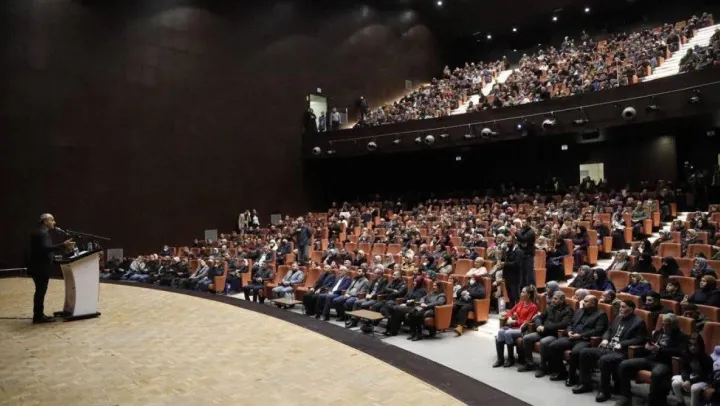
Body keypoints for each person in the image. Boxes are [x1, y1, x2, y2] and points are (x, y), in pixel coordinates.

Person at [572, 300, 647, 403]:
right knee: (584, 352)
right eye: (620, 307)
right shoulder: (618, 318)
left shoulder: (638, 322)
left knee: (604, 360)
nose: (620, 309)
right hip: (609, 348)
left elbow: (640, 339)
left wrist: (622, 344)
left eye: (623, 307)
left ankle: (604, 391)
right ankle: (585, 383)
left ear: (631, 310)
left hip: (622, 352)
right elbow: (609, 330)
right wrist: (605, 339)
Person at [615, 313, 688, 406]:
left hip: (664, 362)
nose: (664, 326)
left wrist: (660, 349)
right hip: (650, 358)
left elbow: (680, 351)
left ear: (674, 325)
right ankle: (626, 396)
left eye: (667, 324)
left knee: (657, 374)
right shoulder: (659, 332)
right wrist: (647, 346)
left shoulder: (682, 336)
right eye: (663, 324)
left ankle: (653, 402)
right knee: (624, 365)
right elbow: (650, 342)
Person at [546, 295, 608, 386]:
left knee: (575, 353)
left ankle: (571, 377)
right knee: (553, 346)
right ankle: (562, 372)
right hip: (572, 337)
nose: (583, 303)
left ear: (593, 303)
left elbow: (597, 331)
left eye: (586, 301)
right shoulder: (580, 310)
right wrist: (569, 331)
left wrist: (580, 336)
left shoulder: (601, 314)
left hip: (585, 340)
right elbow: (570, 323)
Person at [27, 213, 74, 323]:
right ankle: (38, 317)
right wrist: (63, 245)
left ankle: (38, 315)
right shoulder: (42, 233)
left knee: (39, 291)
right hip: (41, 268)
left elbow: (40, 250)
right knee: (40, 292)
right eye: (52, 220)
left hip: (37, 267)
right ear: (45, 221)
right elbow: (45, 248)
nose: (54, 222)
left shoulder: (39, 232)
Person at [517, 290, 573, 376]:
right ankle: (529, 363)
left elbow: (563, 324)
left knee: (543, 342)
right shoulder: (550, 307)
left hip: (554, 334)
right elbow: (539, 317)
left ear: (562, 300)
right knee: (526, 338)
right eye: (553, 298)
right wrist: (539, 325)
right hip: (542, 331)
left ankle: (543, 367)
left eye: (555, 299)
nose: (553, 300)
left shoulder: (568, 310)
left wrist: (545, 328)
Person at [493, 286, 539, 368]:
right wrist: (510, 318)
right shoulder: (521, 303)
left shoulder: (533, 307)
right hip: (513, 326)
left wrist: (515, 322)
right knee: (500, 332)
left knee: (507, 333)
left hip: (523, 329)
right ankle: (500, 359)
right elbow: (510, 312)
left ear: (528, 295)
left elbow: (527, 321)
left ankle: (510, 359)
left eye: (523, 292)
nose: (521, 293)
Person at [671, 332, 713, 406]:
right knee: (675, 383)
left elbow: (706, 375)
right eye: (690, 345)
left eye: (695, 345)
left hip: (703, 380)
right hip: (692, 377)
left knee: (694, 388)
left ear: (700, 346)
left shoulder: (706, 358)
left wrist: (690, 381)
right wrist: (686, 380)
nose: (692, 347)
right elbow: (684, 369)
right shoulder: (686, 354)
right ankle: (681, 402)